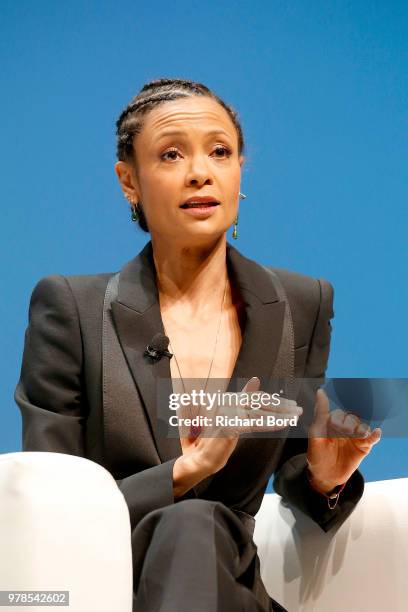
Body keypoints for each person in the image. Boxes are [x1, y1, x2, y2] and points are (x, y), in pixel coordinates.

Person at [14, 78, 382, 612]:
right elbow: (53, 506)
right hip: (111, 585)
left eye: (220, 151)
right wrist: (185, 472)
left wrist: (325, 476)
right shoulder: (72, 308)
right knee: (187, 520)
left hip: (234, 587)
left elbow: (296, 472)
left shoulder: (301, 304)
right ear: (129, 181)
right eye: (170, 154)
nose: (200, 172)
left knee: (200, 528)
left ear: (239, 171)